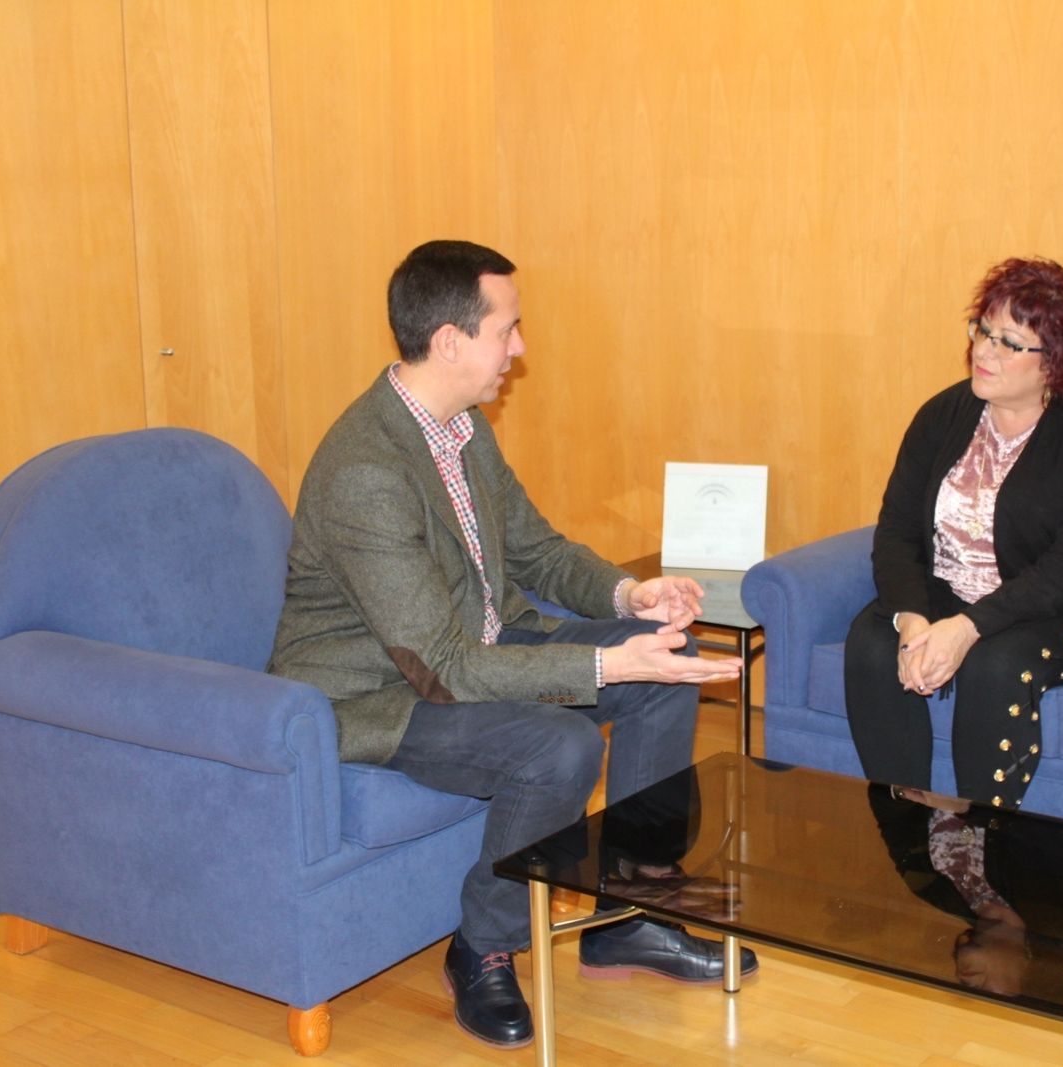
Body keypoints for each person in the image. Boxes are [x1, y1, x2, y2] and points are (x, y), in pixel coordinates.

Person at [268, 239, 756, 1050]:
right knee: (558, 746)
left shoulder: (460, 426)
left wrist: (631, 596)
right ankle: (482, 945)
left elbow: (535, 549)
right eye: (508, 329)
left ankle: (629, 914)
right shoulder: (366, 472)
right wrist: (603, 663)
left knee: (663, 664)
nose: (519, 348)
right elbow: (443, 667)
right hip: (385, 693)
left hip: (471, 646)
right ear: (450, 341)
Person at [844, 257, 1063, 808]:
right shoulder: (943, 413)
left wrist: (967, 629)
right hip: (958, 592)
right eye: (983, 330)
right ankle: (906, 831)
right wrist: (912, 619)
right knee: (872, 643)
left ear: (1056, 362)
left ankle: (985, 842)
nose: (984, 351)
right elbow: (896, 530)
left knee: (997, 663)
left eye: (1010, 343)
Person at [866, 783, 1063, 1006]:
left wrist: (904, 791)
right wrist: (970, 809)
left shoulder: (934, 891)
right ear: (1034, 981)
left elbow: (885, 803)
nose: (965, 982)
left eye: (962, 988)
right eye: (989, 999)